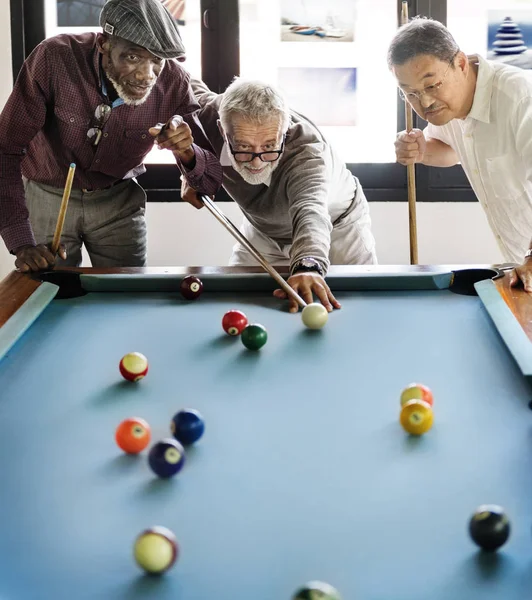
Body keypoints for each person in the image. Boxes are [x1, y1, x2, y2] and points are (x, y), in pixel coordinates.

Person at [0, 0, 222, 272]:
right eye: (133, 57)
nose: (146, 76)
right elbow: (6, 149)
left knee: (128, 295)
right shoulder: (53, 58)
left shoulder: (174, 81)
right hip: (48, 196)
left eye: (156, 60)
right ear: (104, 44)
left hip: (118, 201)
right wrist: (21, 241)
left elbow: (210, 181)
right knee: (49, 290)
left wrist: (187, 152)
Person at [182, 78, 377, 313]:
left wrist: (308, 265)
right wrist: (191, 168)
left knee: (360, 310)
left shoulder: (308, 152)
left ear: (285, 133)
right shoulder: (205, 115)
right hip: (263, 228)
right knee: (236, 304)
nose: (256, 161)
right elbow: (170, 75)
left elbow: (311, 210)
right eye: (243, 147)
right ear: (223, 130)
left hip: (338, 228)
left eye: (268, 147)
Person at [389, 17, 532, 292]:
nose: (425, 102)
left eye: (432, 86)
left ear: (461, 64)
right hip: (520, 267)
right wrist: (422, 151)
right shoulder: (449, 109)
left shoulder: (521, 98)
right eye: (410, 93)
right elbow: (451, 150)